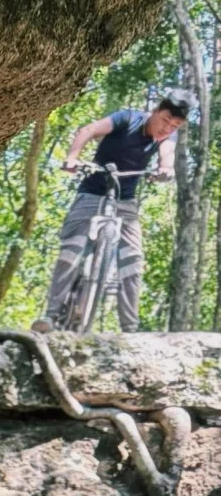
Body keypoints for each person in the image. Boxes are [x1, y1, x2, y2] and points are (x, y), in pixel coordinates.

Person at [43, 90, 190, 333]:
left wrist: (165, 170)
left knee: (133, 259)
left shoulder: (167, 139)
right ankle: (50, 317)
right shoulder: (127, 119)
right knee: (72, 250)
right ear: (154, 112)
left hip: (125, 200)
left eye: (174, 126)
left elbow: (167, 159)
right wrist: (72, 158)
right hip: (92, 191)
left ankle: (130, 329)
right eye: (165, 120)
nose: (167, 128)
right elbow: (88, 131)